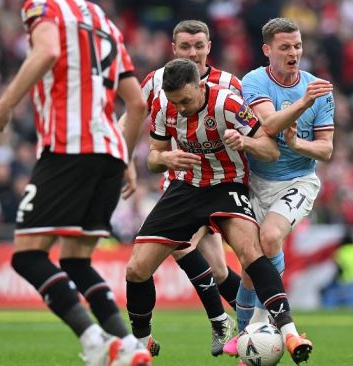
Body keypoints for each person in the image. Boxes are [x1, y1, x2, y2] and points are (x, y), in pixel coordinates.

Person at [0, 1, 151, 365]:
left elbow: (48, 51)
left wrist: (7, 102)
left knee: (28, 255)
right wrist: (126, 159)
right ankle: (129, 345)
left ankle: (94, 341)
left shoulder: (43, 7)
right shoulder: (105, 21)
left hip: (69, 147)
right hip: (110, 152)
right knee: (76, 261)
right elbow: (136, 104)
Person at [125, 58, 313, 365]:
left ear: (200, 86)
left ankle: (290, 333)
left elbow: (271, 150)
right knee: (136, 269)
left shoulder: (228, 103)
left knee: (250, 253)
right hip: (185, 188)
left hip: (227, 186)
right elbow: (153, 159)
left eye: (186, 100)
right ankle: (142, 342)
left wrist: (246, 142)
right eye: (176, 102)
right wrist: (166, 158)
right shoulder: (163, 103)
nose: (181, 108)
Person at [119, 20, 242, 357]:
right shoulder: (158, 82)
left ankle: (230, 321)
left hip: (221, 183)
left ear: (209, 46)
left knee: (182, 248)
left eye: (199, 46)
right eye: (186, 47)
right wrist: (122, 158)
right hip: (181, 183)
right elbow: (129, 119)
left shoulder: (230, 85)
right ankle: (244, 323)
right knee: (215, 270)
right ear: (174, 49)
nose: (193, 52)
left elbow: (254, 131)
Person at [223, 17, 334, 360]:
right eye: (285, 47)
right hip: (255, 181)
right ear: (267, 50)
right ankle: (247, 343)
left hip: (298, 180)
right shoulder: (255, 80)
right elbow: (269, 124)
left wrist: (299, 146)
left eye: (298, 46)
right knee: (248, 266)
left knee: (270, 238)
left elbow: (326, 149)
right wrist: (302, 105)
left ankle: (270, 327)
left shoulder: (317, 87)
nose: (294, 53)